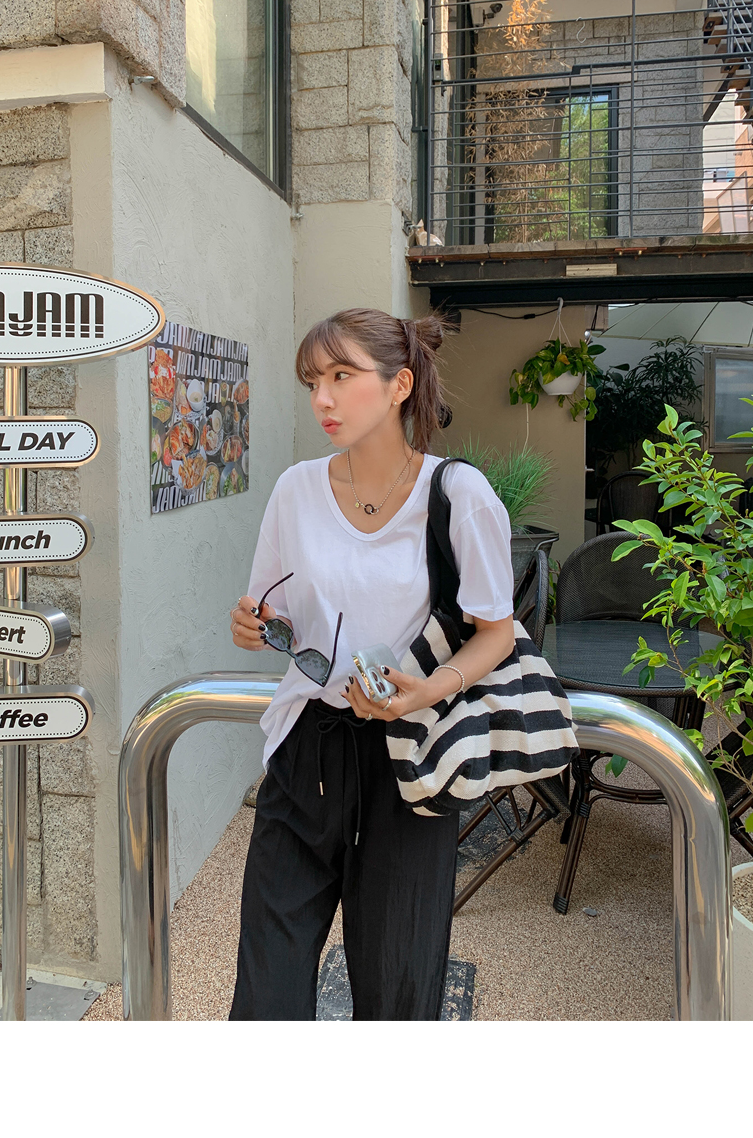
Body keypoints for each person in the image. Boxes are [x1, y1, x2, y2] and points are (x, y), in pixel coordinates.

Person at [228, 307, 516, 1020]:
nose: (322, 399)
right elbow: (273, 607)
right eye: (312, 382)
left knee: (397, 988)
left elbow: (497, 632)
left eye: (340, 376)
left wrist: (429, 690)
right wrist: (254, 624)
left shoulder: (458, 495)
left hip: (409, 756)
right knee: (266, 986)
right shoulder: (296, 490)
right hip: (308, 749)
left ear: (399, 385)